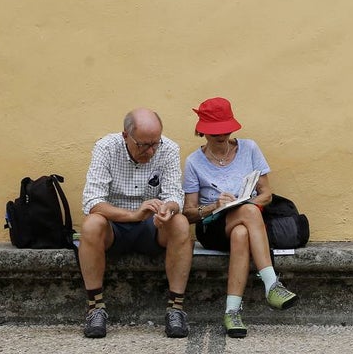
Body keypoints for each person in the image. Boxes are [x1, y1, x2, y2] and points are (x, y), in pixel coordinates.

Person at [182, 97, 298, 338]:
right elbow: (189, 212)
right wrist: (216, 204)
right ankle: (272, 284)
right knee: (247, 214)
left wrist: (244, 203)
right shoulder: (194, 162)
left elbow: (265, 194)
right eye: (215, 132)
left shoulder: (250, 149)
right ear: (202, 130)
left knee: (242, 231)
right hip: (212, 226)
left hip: (247, 221)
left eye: (225, 130)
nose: (221, 135)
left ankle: (232, 311)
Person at [78, 108, 193, 339]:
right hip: (115, 226)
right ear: (125, 136)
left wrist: (167, 210)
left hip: (154, 226)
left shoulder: (168, 148)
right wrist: (133, 215)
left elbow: (175, 196)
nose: (151, 151)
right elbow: (92, 201)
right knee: (91, 224)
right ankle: (95, 308)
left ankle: (176, 309)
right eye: (143, 145)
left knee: (180, 223)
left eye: (155, 144)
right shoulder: (106, 148)